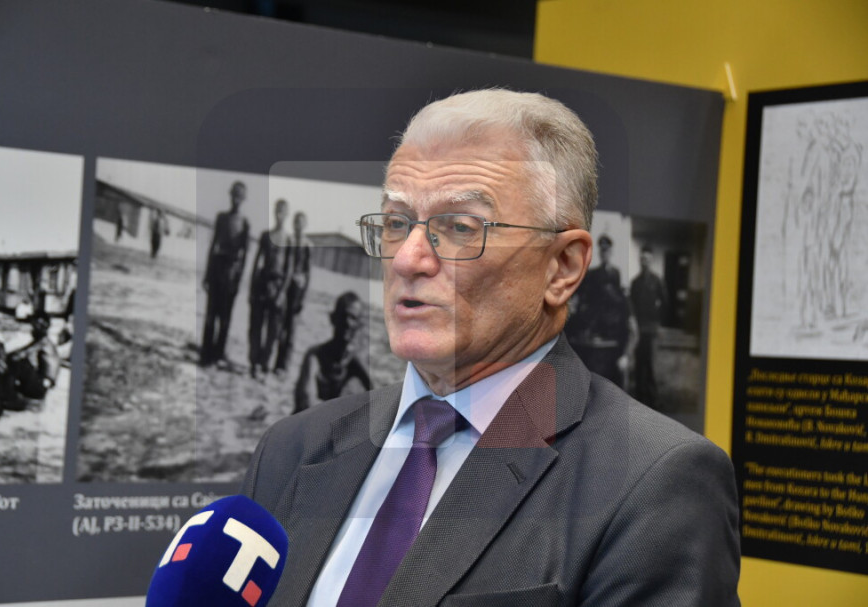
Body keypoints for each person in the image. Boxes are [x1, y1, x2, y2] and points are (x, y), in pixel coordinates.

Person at [242, 89, 740, 606]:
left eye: (460, 227)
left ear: (562, 267)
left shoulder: (653, 484)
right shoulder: (292, 450)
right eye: (395, 223)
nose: (408, 259)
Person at [569, 233, 633, 387]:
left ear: (611, 252)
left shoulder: (616, 273)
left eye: (607, 251)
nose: (605, 254)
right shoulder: (593, 274)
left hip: (612, 328)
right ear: (600, 253)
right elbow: (587, 299)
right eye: (602, 251)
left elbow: (618, 301)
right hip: (597, 324)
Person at [293, 291, 371, 414]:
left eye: (353, 318)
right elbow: (306, 401)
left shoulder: (353, 360)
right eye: (343, 316)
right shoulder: (315, 356)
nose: (347, 323)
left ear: (358, 325)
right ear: (333, 319)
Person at [200, 181, 250, 368]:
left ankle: (218, 353)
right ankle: (206, 353)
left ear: (244, 199)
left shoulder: (245, 223)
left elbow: (244, 255)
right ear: (230, 196)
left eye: (240, 196)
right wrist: (207, 275)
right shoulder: (221, 218)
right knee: (210, 315)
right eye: (234, 195)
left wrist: (238, 280)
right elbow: (213, 246)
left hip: (231, 275)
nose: (236, 199)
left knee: (225, 318)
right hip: (216, 271)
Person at [247, 198, 292, 378]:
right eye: (277, 211)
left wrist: (282, 293)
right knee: (256, 325)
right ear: (274, 213)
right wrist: (252, 288)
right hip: (262, 284)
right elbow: (257, 262)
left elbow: (289, 269)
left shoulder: (288, 240)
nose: (279, 215)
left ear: (287, 215)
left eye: (283, 212)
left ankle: (265, 364)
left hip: (278, 286)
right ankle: (254, 363)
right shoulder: (265, 235)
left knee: (273, 330)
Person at [630, 244, 667, 410]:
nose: (644, 261)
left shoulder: (657, 280)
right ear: (640, 260)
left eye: (647, 259)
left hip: (651, 329)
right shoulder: (635, 282)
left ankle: (654, 401)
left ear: (651, 260)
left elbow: (665, 302)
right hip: (639, 330)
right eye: (642, 259)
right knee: (639, 365)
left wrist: (659, 324)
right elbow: (631, 305)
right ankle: (639, 399)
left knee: (650, 364)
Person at [279, 211, 312, 374]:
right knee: (280, 327)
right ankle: (277, 364)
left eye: (301, 222)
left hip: (297, 288)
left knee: (291, 329)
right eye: (296, 222)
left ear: (305, 225)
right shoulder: (289, 241)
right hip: (286, 286)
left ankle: (284, 366)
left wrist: (303, 298)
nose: (298, 225)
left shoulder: (307, 245)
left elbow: (308, 272)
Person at [6, 311, 61, 403]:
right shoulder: (45, 342)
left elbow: (20, 355)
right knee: (20, 361)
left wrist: (6, 357)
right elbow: (24, 350)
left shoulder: (43, 342)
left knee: (19, 363)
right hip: (43, 385)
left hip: (40, 387)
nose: (33, 329)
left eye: (35, 326)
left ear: (44, 327)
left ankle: (9, 395)